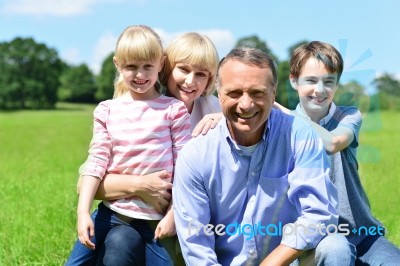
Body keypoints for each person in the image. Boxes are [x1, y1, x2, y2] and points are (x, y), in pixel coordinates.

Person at [172, 46, 341, 265]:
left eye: (257, 93)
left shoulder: (299, 135)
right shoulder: (196, 154)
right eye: (234, 93)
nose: (245, 104)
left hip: (286, 262)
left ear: (273, 92)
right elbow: (196, 245)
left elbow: (319, 215)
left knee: (335, 247)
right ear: (218, 93)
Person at [66, 32, 220, 265]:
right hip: (120, 213)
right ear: (167, 66)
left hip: (184, 217)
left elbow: (266, 110)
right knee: (112, 246)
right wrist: (142, 186)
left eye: (201, 74)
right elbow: (93, 168)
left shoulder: (207, 109)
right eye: (184, 70)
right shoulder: (116, 109)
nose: (190, 81)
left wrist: (225, 117)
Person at [274, 41, 400, 265]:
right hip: (313, 242)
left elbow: (333, 143)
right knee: (336, 249)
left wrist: (286, 113)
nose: (320, 90)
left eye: (328, 82)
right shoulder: (281, 128)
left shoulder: (347, 116)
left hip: (363, 236)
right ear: (294, 80)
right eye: (311, 80)